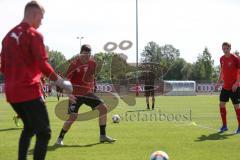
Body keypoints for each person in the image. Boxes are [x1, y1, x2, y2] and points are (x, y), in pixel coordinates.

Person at [0, 1, 72, 160]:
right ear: (34, 14)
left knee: (30, 127)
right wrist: (60, 81)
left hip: (11, 93)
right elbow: (42, 64)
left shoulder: (6, 38)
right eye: (41, 17)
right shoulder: (34, 35)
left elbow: (3, 67)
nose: (42, 21)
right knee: (44, 132)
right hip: (28, 91)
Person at [56, 44, 116, 145]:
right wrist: (68, 94)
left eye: (88, 54)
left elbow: (92, 75)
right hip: (75, 95)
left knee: (103, 108)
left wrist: (94, 85)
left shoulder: (93, 63)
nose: (86, 56)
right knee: (72, 117)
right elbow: (66, 80)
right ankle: (60, 138)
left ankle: (103, 136)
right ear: (80, 54)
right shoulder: (74, 64)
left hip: (88, 92)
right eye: (84, 54)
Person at [217, 42, 240, 134]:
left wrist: (236, 83)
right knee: (221, 104)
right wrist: (218, 81)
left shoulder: (236, 59)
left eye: (226, 48)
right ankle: (224, 126)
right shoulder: (221, 59)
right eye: (223, 48)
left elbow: (239, 72)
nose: (224, 50)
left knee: (236, 107)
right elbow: (222, 71)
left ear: (230, 48)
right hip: (225, 87)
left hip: (235, 87)